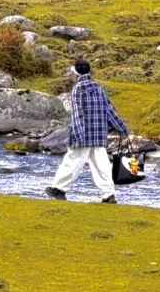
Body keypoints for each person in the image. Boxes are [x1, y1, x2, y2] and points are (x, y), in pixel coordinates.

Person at [45, 60, 129, 203]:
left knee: (72, 161)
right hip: (99, 133)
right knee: (102, 165)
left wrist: (76, 135)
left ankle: (59, 188)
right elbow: (109, 110)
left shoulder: (77, 89)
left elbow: (78, 114)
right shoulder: (98, 88)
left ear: (76, 72)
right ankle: (108, 194)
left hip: (83, 134)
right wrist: (121, 128)